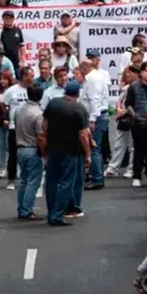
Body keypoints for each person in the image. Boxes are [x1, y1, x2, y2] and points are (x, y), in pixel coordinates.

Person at [41, 81, 91, 226]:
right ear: (78, 93)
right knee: (66, 182)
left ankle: (51, 211)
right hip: (70, 150)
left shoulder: (54, 104)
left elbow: (45, 124)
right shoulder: (79, 109)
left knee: (51, 181)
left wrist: (45, 141)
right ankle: (57, 215)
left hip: (53, 147)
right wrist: (87, 154)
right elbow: (83, 134)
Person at [15, 85, 45, 219]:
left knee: (24, 180)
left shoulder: (19, 110)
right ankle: (26, 210)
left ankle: (21, 207)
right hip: (32, 149)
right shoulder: (38, 114)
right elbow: (40, 136)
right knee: (33, 182)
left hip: (20, 148)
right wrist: (45, 153)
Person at [83, 50, 111, 190]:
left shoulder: (92, 79)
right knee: (96, 148)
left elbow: (95, 100)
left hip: (97, 116)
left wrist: (92, 119)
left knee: (94, 147)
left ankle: (97, 179)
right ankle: (97, 177)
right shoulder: (97, 77)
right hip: (99, 115)